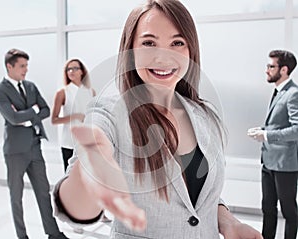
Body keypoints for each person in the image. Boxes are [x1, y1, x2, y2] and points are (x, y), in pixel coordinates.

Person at [53, 1, 263, 238]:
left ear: (191, 50)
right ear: (130, 50)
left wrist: (228, 222)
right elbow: (79, 207)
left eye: (177, 43)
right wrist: (91, 171)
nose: (163, 58)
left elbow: (198, 197)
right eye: (149, 43)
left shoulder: (204, 115)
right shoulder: (109, 114)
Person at [0, 49, 69, 239]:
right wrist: (33, 111)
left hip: (35, 147)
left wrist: (27, 116)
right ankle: (22, 236)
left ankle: (53, 233)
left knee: (44, 192)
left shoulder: (30, 86)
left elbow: (45, 109)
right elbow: (12, 117)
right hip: (15, 151)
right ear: (9, 66)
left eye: (27, 66)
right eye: (22, 66)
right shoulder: (1, 90)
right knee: (16, 196)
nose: (26, 70)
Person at [51, 59, 111, 229]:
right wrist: (74, 117)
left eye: (75, 68)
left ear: (82, 71)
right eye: (68, 69)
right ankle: (74, 219)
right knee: (72, 179)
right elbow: (54, 119)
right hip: (69, 143)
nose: (71, 71)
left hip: (89, 142)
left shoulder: (90, 91)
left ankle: (102, 211)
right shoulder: (63, 92)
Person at [248, 50, 298, 239]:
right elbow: (278, 124)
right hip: (268, 161)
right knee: (268, 208)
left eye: (271, 66)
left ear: (284, 69)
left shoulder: (293, 94)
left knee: (289, 211)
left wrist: (267, 135)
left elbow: (296, 130)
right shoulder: (279, 91)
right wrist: (261, 130)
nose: (267, 70)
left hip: (285, 164)